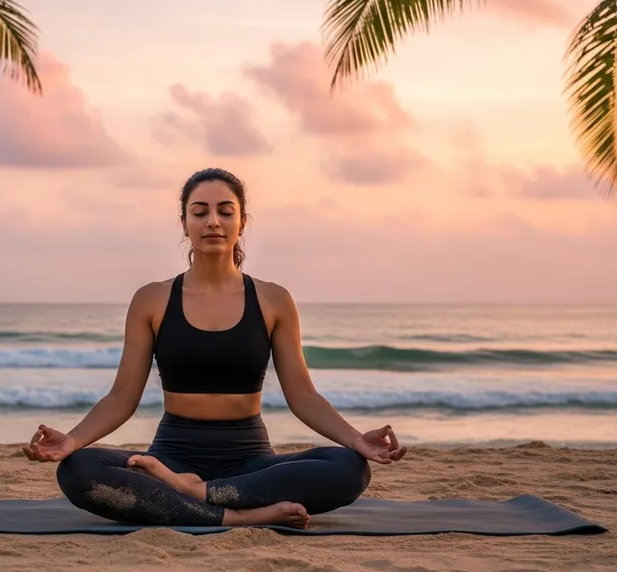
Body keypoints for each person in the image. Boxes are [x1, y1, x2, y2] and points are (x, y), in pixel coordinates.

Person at [23, 168, 407, 528]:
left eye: (225, 211)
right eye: (199, 212)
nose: (213, 222)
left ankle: (196, 495)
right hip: (170, 457)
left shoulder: (273, 300)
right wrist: (72, 441)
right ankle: (236, 517)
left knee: (349, 468)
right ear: (184, 223)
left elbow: (303, 396)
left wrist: (356, 439)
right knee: (78, 469)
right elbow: (122, 396)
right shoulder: (152, 299)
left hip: (250, 461)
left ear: (242, 221)